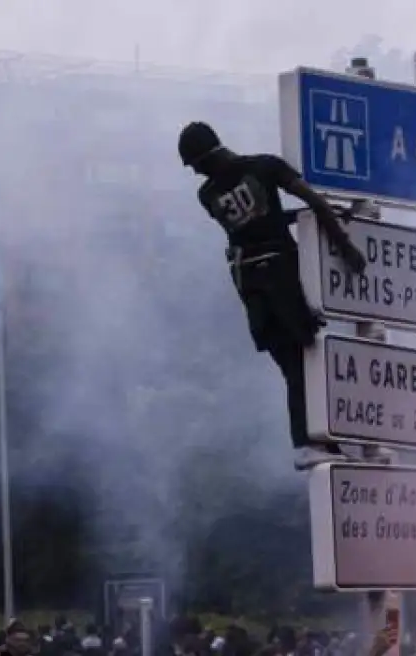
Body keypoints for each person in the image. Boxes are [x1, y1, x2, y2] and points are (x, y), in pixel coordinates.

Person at [177, 121, 367, 470]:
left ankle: (317, 440)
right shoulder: (265, 167)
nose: (196, 173)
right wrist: (346, 248)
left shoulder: (208, 196)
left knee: (292, 363)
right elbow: (311, 203)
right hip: (280, 276)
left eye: (194, 165)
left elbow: (261, 223)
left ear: (203, 158)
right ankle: (312, 441)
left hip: (251, 287)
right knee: (303, 356)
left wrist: (305, 217)